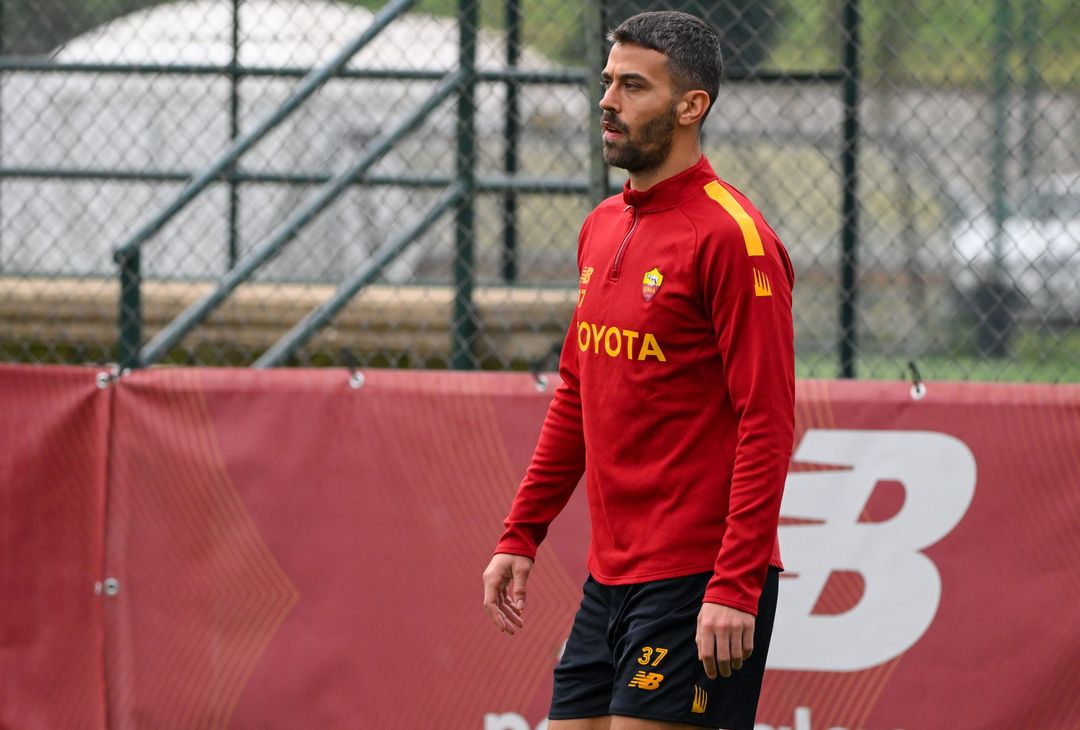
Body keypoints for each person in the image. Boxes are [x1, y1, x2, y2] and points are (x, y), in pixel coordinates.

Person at [482, 10, 795, 730]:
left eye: (632, 86)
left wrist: (735, 586)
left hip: (697, 576)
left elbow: (767, 424)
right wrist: (520, 533)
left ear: (692, 106)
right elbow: (575, 393)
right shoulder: (602, 224)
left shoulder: (732, 239)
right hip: (610, 577)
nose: (607, 101)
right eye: (606, 83)